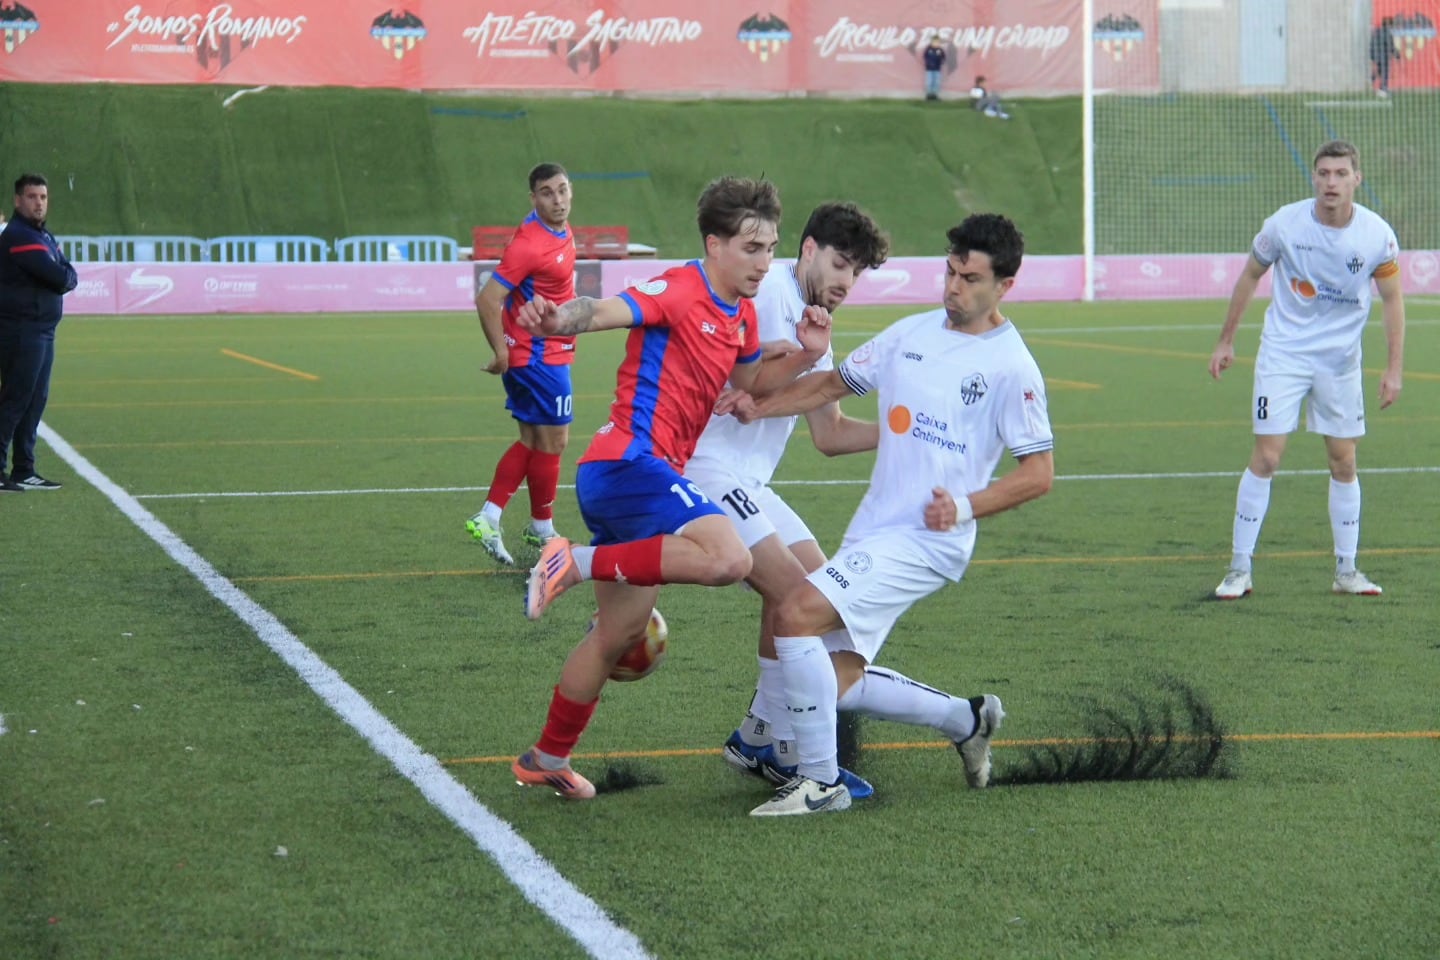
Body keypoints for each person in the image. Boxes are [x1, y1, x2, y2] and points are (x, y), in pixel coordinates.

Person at [507, 176, 834, 801]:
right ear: (714, 245)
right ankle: (571, 560)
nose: (764, 264)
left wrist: (803, 354)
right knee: (729, 558)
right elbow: (603, 311)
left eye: (770, 250)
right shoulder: (681, 286)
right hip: (629, 462)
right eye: (751, 248)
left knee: (616, 635)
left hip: (640, 478)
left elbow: (748, 381)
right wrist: (555, 320)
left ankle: (547, 756)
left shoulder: (738, 316)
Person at [717, 213, 1055, 816]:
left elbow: (1038, 474)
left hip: (928, 541)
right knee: (830, 679)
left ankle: (818, 782)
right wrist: (756, 405)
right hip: (876, 528)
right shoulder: (909, 333)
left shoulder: (1013, 367)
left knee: (794, 611)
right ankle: (966, 719)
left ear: (1004, 286)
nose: (953, 287)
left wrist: (965, 507)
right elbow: (826, 390)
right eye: (950, 271)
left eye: (970, 278)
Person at [684, 202, 890, 797]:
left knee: (818, 588)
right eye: (840, 263)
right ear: (806, 250)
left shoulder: (813, 320)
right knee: (800, 596)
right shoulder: (772, 292)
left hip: (747, 481)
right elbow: (747, 387)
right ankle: (791, 754)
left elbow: (830, 435)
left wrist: (908, 432)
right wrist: (800, 360)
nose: (847, 281)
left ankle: (759, 736)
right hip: (707, 468)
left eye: (857, 272)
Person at [1209, 140, 1404, 600]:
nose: (1330, 182)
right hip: (1284, 355)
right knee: (1268, 456)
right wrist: (1226, 338)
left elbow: (1393, 300)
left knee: (1343, 460)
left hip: (1339, 364)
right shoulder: (1285, 224)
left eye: (1340, 173)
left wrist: (1394, 369)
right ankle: (1239, 568)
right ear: (1314, 178)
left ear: (1357, 178)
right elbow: (1250, 275)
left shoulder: (1376, 235)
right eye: (1323, 173)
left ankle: (1347, 571)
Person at [465, 162, 577, 564]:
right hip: (538, 357)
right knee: (556, 441)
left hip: (541, 350)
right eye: (548, 192)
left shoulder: (556, 229)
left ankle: (500, 519)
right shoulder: (530, 244)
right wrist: (501, 351)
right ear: (534, 198)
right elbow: (487, 298)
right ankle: (538, 527)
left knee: (534, 441)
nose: (558, 199)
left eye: (563, 190)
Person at [0, 173, 78, 493]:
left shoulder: (42, 236)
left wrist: (63, 274)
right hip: (22, 329)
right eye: (32, 197)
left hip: (43, 330)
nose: (39, 203)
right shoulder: (19, 235)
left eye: (43, 197)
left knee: (35, 400)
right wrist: (63, 275)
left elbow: (67, 273)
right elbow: (59, 276)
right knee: (15, 399)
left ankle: (24, 469)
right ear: (18, 201)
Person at [1370, 17, 1397, 98]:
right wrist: (1396, 54)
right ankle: (1383, 89)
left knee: (1379, 71)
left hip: (1375, 54)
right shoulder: (1387, 33)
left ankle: (1371, 80)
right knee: (1385, 72)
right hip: (1382, 55)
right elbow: (1390, 45)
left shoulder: (1377, 31)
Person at [922, 36, 946, 100]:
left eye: (937, 42)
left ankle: (935, 95)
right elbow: (925, 56)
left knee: (936, 82)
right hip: (929, 69)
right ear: (931, 42)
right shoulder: (928, 49)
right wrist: (928, 63)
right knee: (929, 82)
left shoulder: (940, 50)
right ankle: (929, 95)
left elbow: (943, 57)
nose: (936, 44)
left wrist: (941, 61)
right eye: (934, 42)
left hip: (937, 69)